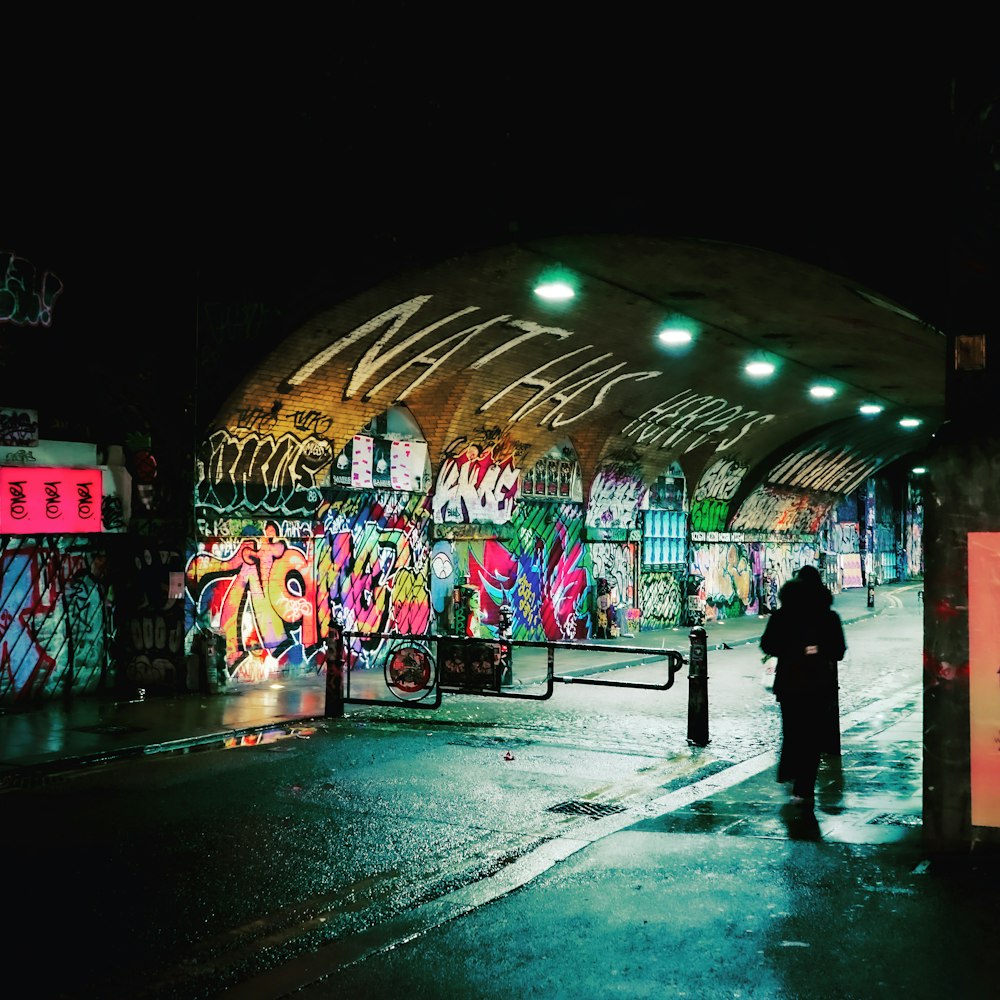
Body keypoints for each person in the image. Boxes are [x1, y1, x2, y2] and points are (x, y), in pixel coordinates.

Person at [760, 564, 846, 807]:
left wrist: (791, 650)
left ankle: (790, 771)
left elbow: (767, 645)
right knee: (813, 737)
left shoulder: (782, 616)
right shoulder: (828, 617)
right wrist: (817, 650)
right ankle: (804, 786)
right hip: (819, 684)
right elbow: (838, 651)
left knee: (793, 731)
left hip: (789, 684)